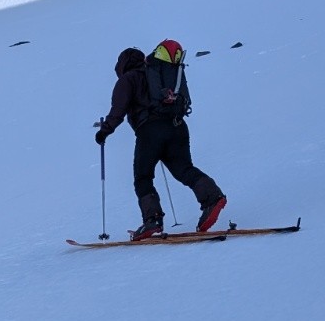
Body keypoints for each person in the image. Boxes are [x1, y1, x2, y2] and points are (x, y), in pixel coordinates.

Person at [94, 40, 227, 239]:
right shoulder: (158, 74)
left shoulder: (128, 79)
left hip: (150, 131)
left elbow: (118, 110)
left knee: (143, 177)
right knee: (184, 169)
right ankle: (212, 197)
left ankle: (152, 220)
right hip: (177, 125)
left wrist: (104, 131)